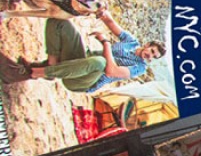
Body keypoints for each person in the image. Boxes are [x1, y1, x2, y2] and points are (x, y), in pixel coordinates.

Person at [15, 8, 165, 93]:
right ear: (147, 44)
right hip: (80, 61)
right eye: (151, 50)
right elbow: (111, 23)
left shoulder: (140, 68)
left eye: (153, 56)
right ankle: (50, 65)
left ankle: (39, 72)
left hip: (84, 81)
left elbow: (111, 71)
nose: (149, 55)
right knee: (60, 22)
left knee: (100, 62)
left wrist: (105, 42)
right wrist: (103, 12)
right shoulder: (132, 42)